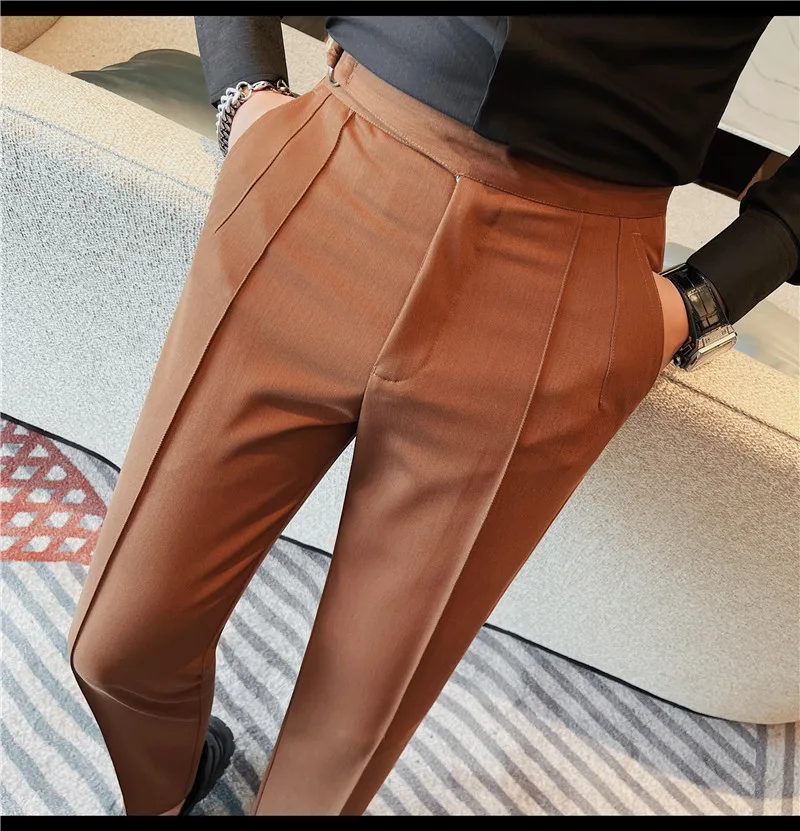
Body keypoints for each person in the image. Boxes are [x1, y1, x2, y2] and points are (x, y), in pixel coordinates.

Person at [67, 15, 799, 816]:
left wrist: (708, 293)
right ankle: (169, 787)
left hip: (568, 269)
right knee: (117, 645)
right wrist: (245, 89)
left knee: (338, 755)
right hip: (338, 159)